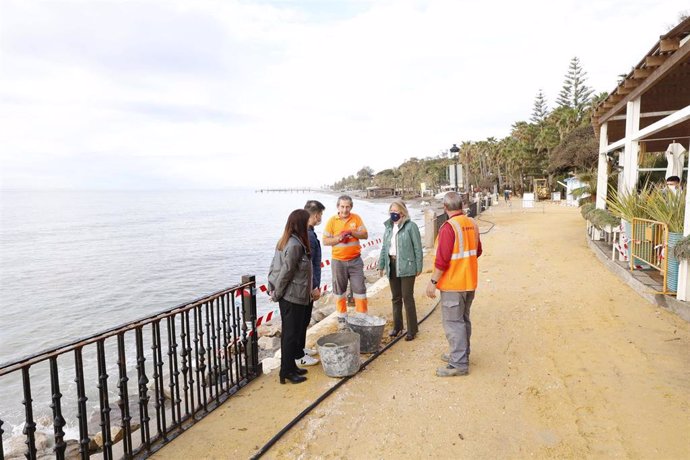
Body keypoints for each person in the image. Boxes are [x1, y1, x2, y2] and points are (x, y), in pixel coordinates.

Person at [426, 192, 482, 377]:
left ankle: (458, 363)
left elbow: (442, 261)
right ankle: (461, 354)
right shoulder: (471, 223)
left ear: (445, 207)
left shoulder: (448, 227)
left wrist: (433, 282)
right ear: (462, 205)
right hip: (469, 281)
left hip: (453, 284)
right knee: (463, 320)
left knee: (453, 323)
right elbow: (478, 251)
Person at [267, 209, 313, 384]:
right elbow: (286, 272)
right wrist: (277, 294)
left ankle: (291, 367)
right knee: (290, 335)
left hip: (293, 296)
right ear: (300, 224)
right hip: (292, 297)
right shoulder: (294, 245)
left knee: (290, 334)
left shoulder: (287, 241)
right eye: (306, 222)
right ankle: (286, 371)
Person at [378, 200, 423, 341]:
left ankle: (412, 329)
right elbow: (384, 247)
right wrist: (381, 264)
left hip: (407, 266)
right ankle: (397, 327)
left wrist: (419, 266)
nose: (393, 215)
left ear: (402, 212)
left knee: (407, 297)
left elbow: (417, 248)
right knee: (395, 298)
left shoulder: (411, 227)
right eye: (391, 212)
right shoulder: (389, 228)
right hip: (392, 264)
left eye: (396, 212)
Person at [323, 195, 369, 323]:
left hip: (355, 261)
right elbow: (325, 241)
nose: (344, 210)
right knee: (339, 291)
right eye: (342, 206)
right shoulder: (332, 221)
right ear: (338, 207)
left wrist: (352, 232)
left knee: (359, 289)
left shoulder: (356, 218)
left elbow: (365, 235)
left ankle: (362, 318)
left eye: (347, 206)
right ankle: (342, 318)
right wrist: (338, 238)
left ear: (351, 207)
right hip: (338, 262)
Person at [294, 200, 326, 367]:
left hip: (306, 284)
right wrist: (314, 287)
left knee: (304, 319)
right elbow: (310, 265)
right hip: (307, 286)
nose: (320, 218)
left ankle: (301, 348)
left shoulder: (306, 232)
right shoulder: (308, 235)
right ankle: (298, 354)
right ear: (315, 215)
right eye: (320, 214)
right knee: (302, 319)